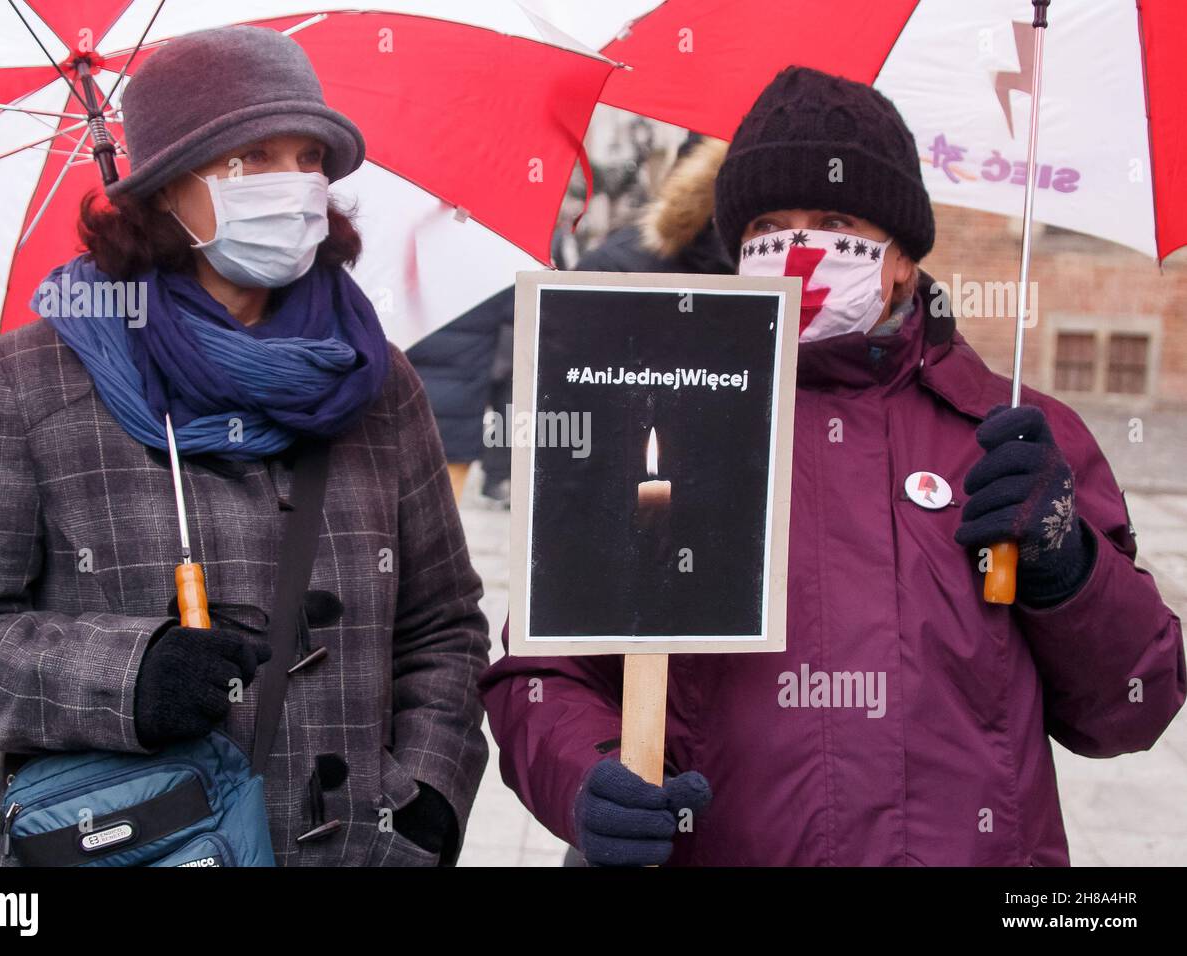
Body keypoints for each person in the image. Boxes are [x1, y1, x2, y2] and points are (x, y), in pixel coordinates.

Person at [480, 66, 1186, 866]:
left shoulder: (1013, 438)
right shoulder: (658, 421)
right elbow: (545, 669)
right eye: (770, 224)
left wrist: (1070, 569)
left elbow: (1133, 709)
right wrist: (588, 777)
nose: (801, 245)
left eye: (836, 218)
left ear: (902, 261)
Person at [0, 25, 489, 867]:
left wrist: (426, 802)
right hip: (138, 843)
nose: (292, 184)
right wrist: (128, 676)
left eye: (308, 155)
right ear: (165, 190)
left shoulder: (378, 380)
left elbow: (443, 628)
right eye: (249, 160)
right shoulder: (28, 379)